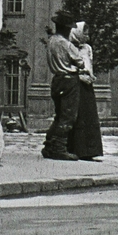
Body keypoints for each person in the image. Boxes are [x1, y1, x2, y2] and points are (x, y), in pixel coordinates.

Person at [42, 10, 84, 161]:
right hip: (69, 80)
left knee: (58, 116)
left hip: (57, 79)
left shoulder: (51, 41)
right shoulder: (67, 44)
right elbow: (80, 62)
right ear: (67, 28)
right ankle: (59, 148)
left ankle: (48, 146)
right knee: (68, 117)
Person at [66, 20, 103, 161]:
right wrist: (80, 76)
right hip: (76, 85)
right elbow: (68, 67)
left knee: (90, 117)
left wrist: (90, 75)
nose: (87, 36)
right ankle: (77, 149)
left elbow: (89, 64)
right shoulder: (69, 47)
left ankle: (90, 151)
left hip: (87, 86)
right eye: (85, 33)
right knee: (78, 117)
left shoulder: (87, 48)